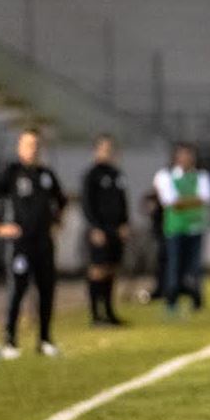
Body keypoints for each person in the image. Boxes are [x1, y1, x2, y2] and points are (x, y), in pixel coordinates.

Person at [0, 128, 67, 359]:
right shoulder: (12, 172)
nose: (33, 149)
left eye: (36, 145)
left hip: (44, 242)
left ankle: (44, 340)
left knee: (46, 290)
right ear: (19, 147)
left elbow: (61, 200)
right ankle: (9, 340)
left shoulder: (46, 174)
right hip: (20, 243)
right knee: (17, 290)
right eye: (28, 144)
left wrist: (57, 222)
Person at [153, 143, 210, 315]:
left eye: (189, 155)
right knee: (174, 264)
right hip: (175, 228)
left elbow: (205, 198)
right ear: (176, 157)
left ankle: (196, 300)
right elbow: (171, 201)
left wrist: (182, 202)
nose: (186, 158)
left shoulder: (202, 176)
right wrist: (192, 200)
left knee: (194, 267)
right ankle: (172, 300)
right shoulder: (165, 176)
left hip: (195, 227)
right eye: (183, 155)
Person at [82, 134, 130, 326]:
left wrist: (125, 223)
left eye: (110, 149)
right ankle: (95, 314)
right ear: (96, 151)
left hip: (116, 229)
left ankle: (109, 311)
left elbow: (123, 201)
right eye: (104, 148)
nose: (108, 152)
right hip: (100, 229)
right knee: (98, 269)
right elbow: (87, 204)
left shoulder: (117, 175)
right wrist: (94, 227)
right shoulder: (92, 175)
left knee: (111, 269)